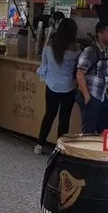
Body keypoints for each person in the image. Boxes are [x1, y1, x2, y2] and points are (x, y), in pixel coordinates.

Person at [35, 18, 80, 154]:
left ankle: (39, 144)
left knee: (49, 114)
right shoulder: (76, 48)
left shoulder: (49, 45)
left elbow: (44, 64)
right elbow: (79, 67)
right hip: (69, 87)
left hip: (51, 85)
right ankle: (59, 148)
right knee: (64, 118)